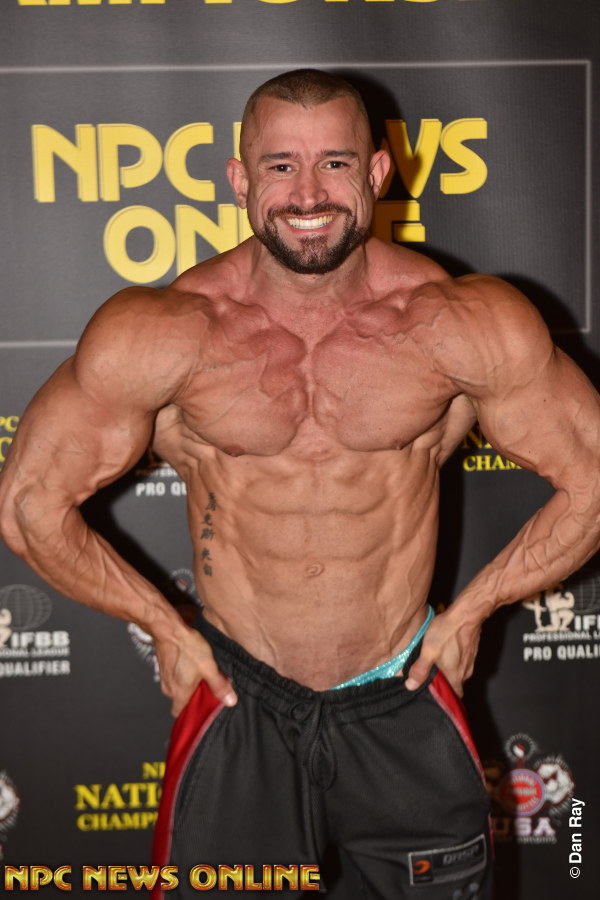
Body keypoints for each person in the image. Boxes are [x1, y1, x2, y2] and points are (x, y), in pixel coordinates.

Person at [1, 69, 599, 898]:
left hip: (403, 689)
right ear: (239, 178)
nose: (308, 193)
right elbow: (30, 504)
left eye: (335, 164)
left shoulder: (459, 322)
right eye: (280, 166)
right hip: (238, 694)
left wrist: (474, 610)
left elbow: (592, 478)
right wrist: (162, 623)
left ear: (378, 173)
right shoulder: (165, 332)